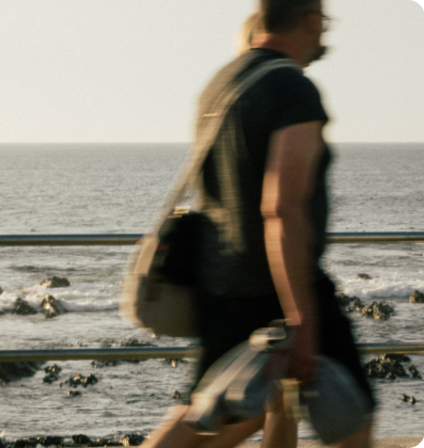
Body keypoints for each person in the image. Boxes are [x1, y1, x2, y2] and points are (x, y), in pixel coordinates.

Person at [141, 1, 374, 448]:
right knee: (353, 419)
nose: (324, 32)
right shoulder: (292, 88)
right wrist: (300, 314)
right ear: (309, 19)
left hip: (220, 283)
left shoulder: (220, 84)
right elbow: (281, 208)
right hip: (279, 285)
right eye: (323, 22)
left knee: (206, 420)